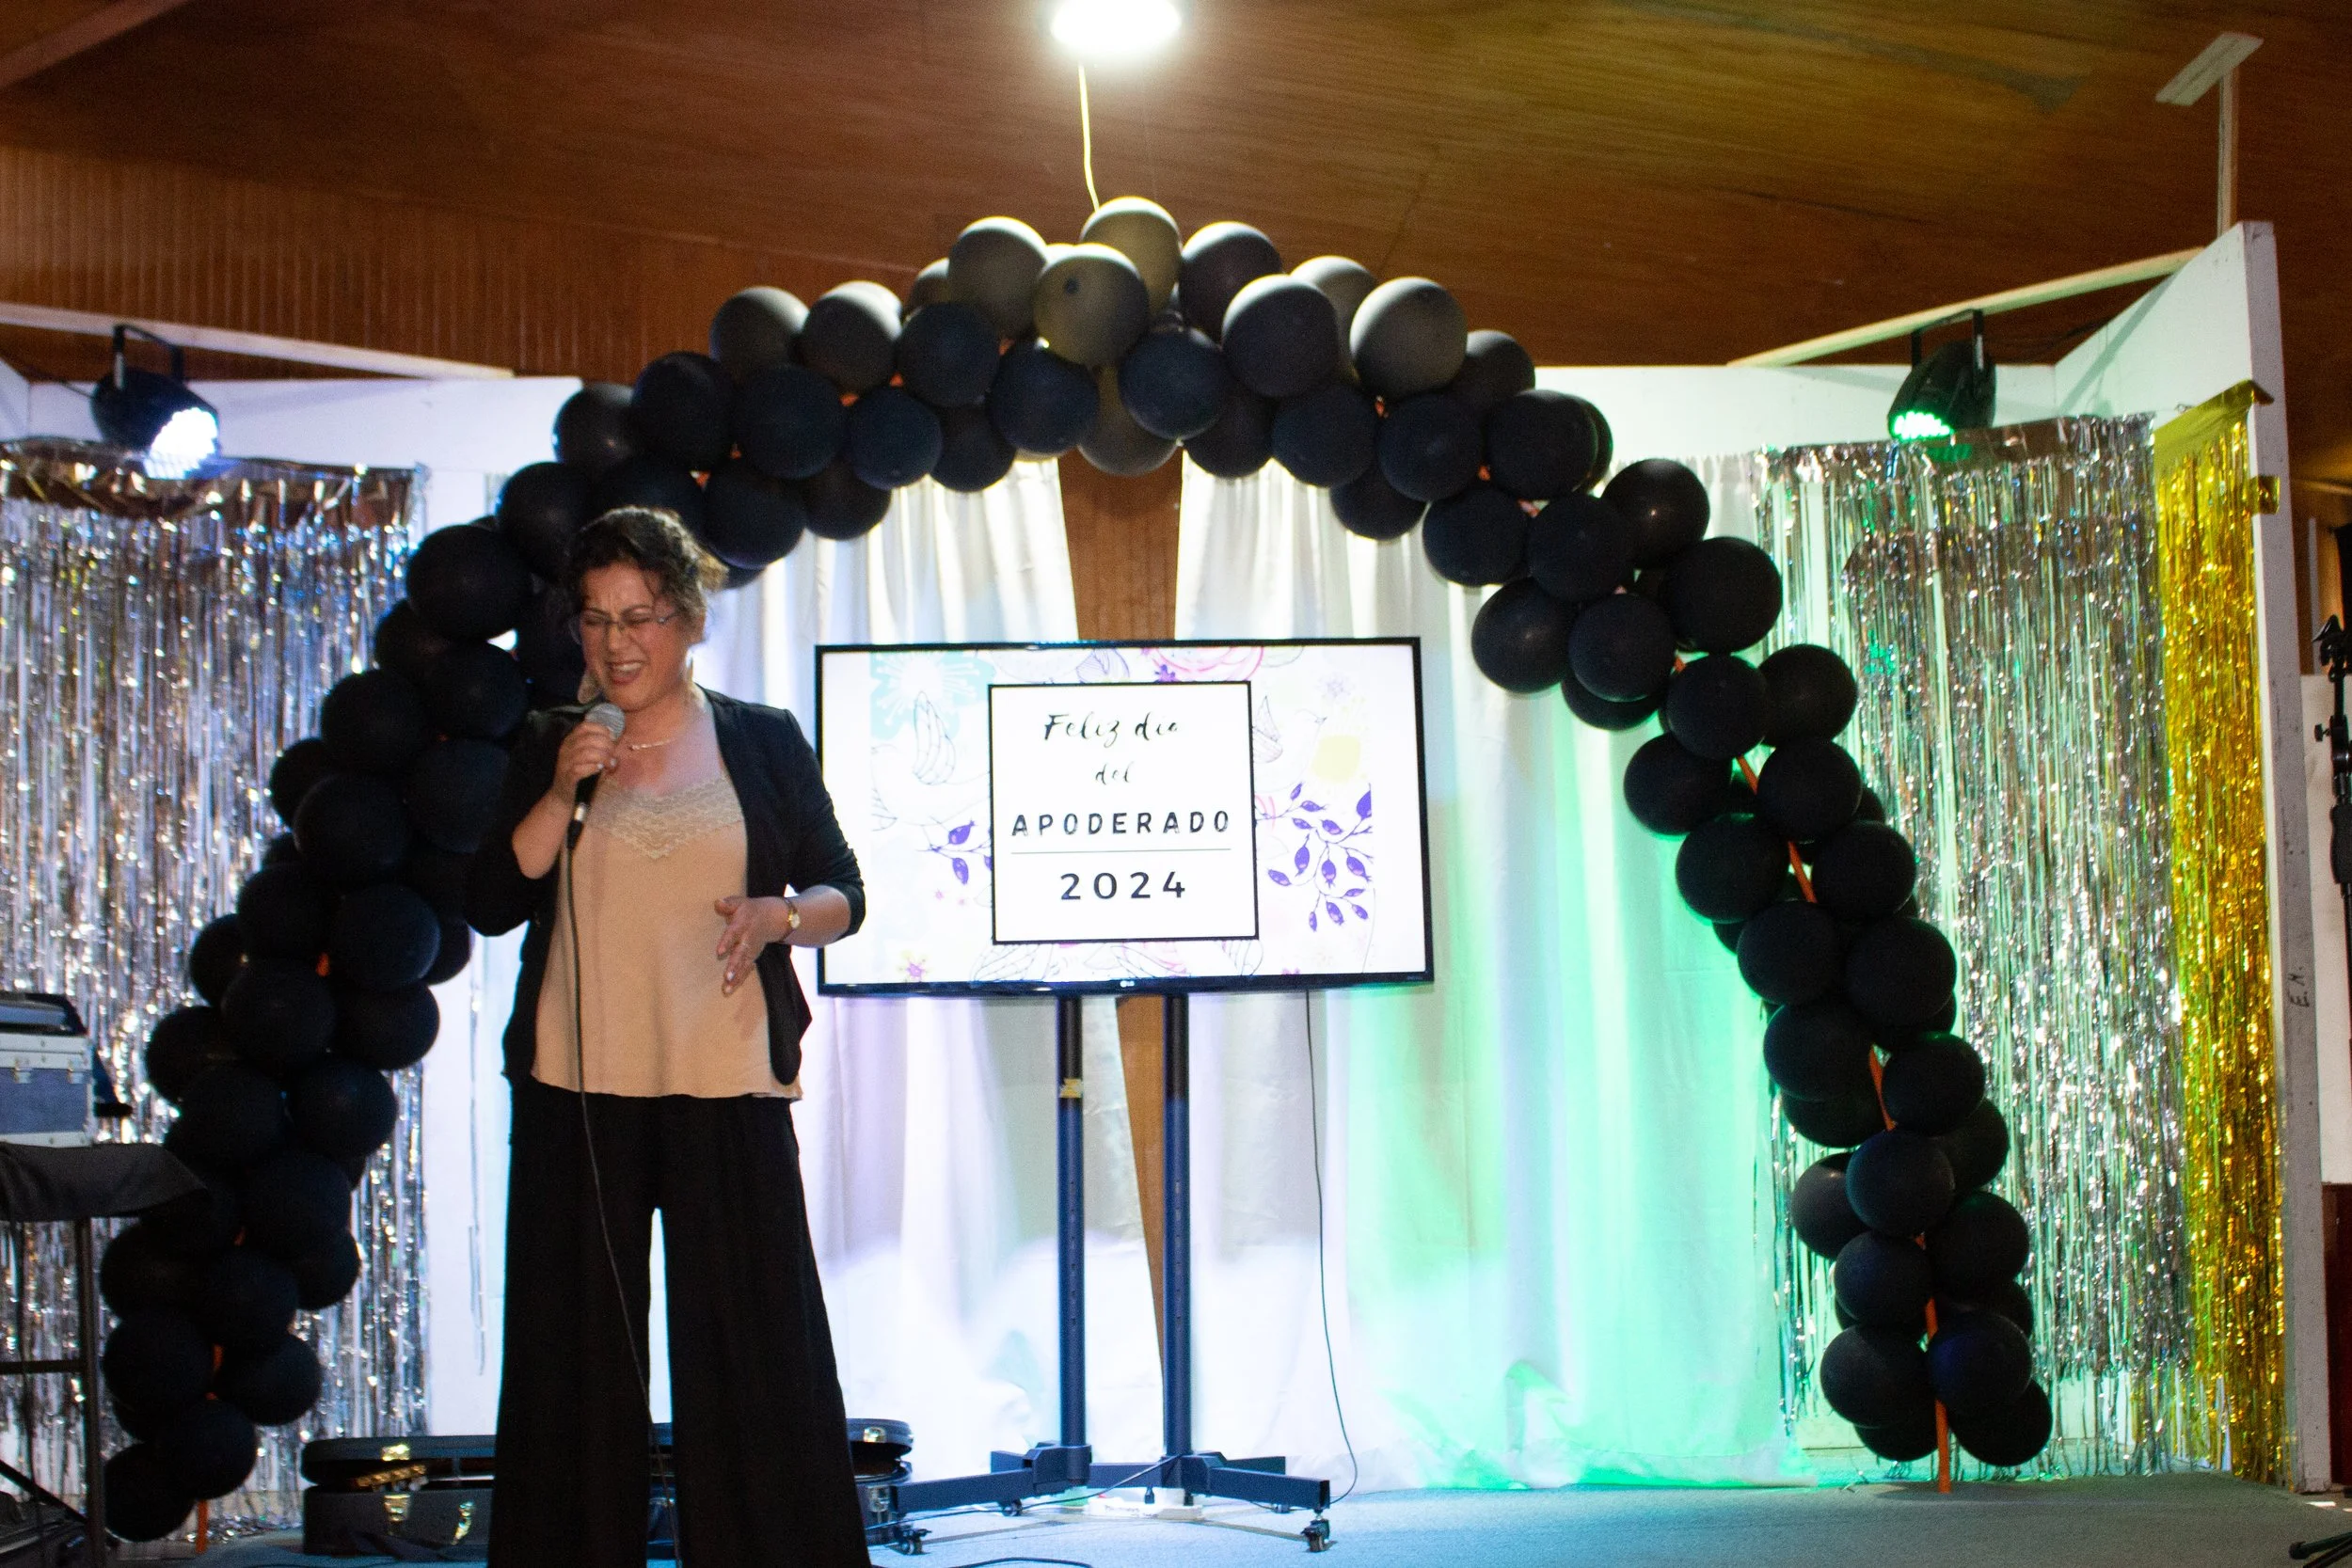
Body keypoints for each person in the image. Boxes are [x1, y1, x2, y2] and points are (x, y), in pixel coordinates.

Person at [468, 506, 870, 1568]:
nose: (616, 642)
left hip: (727, 1085)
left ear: (689, 619)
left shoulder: (762, 739)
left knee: (754, 1356)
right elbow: (492, 899)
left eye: (640, 616)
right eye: (596, 618)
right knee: (574, 1361)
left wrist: (780, 914)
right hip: (576, 1095)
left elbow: (844, 891)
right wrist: (564, 784)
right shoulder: (553, 740)